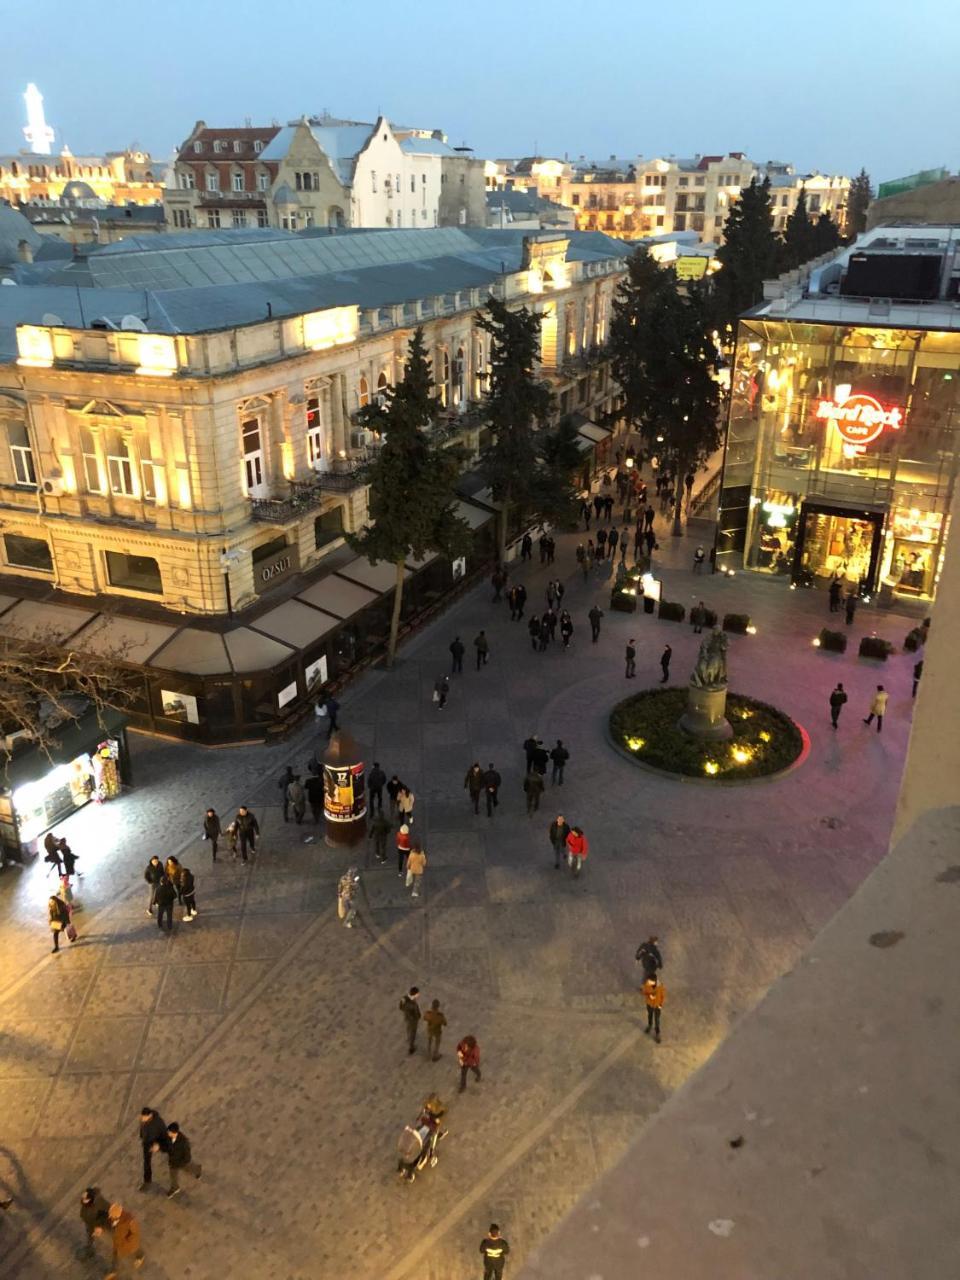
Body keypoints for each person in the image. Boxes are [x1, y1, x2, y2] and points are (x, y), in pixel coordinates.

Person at [105, 1201, 144, 1277]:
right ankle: (113, 1271)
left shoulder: (129, 1221)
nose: (109, 1216)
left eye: (111, 1215)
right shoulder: (115, 1218)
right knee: (115, 1255)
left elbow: (135, 1232)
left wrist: (128, 1241)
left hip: (127, 1243)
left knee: (134, 1249)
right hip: (118, 1242)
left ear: (117, 1215)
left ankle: (140, 1256)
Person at [165, 1123, 202, 1198]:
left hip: (181, 1162)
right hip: (173, 1162)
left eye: (169, 1132)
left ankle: (198, 1169)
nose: (167, 1133)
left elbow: (187, 1157)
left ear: (174, 1133)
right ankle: (175, 1187)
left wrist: (181, 1163)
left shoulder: (184, 1142)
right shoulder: (169, 1138)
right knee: (173, 1175)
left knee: (189, 1169)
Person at [138, 1106, 169, 1189]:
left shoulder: (157, 1123)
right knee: (147, 1161)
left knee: (169, 1150)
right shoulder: (143, 1120)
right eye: (142, 1116)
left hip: (157, 1141)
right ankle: (147, 1181)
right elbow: (143, 1129)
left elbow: (163, 1133)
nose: (142, 1118)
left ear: (150, 1115)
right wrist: (142, 1136)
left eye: (144, 1117)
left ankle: (184, 1161)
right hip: (147, 1142)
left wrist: (157, 1145)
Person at [80, 1185, 111, 1260]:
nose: (82, 1199)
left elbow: (108, 1210)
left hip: (100, 1223)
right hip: (90, 1223)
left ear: (90, 1199)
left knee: (113, 1237)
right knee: (90, 1237)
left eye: (84, 1198)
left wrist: (100, 1226)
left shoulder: (99, 1202)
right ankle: (90, 1251)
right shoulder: (86, 1204)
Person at [643, 973, 666, 1043]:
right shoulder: (647, 984)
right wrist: (649, 995)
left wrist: (660, 1005)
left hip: (657, 1005)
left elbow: (663, 996)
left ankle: (657, 1032)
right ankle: (650, 1025)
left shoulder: (660, 986)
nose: (649, 982)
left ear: (655, 981)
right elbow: (644, 992)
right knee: (649, 1015)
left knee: (657, 1019)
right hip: (649, 1004)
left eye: (650, 981)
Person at [400, 987, 421, 1054]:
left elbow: (400, 1007)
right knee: (413, 1032)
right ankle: (411, 1047)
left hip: (408, 1018)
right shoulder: (410, 1003)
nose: (418, 995)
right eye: (417, 994)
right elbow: (402, 1007)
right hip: (412, 1020)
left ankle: (409, 1038)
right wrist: (414, 1017)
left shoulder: (404, 998)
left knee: (408, 1029)